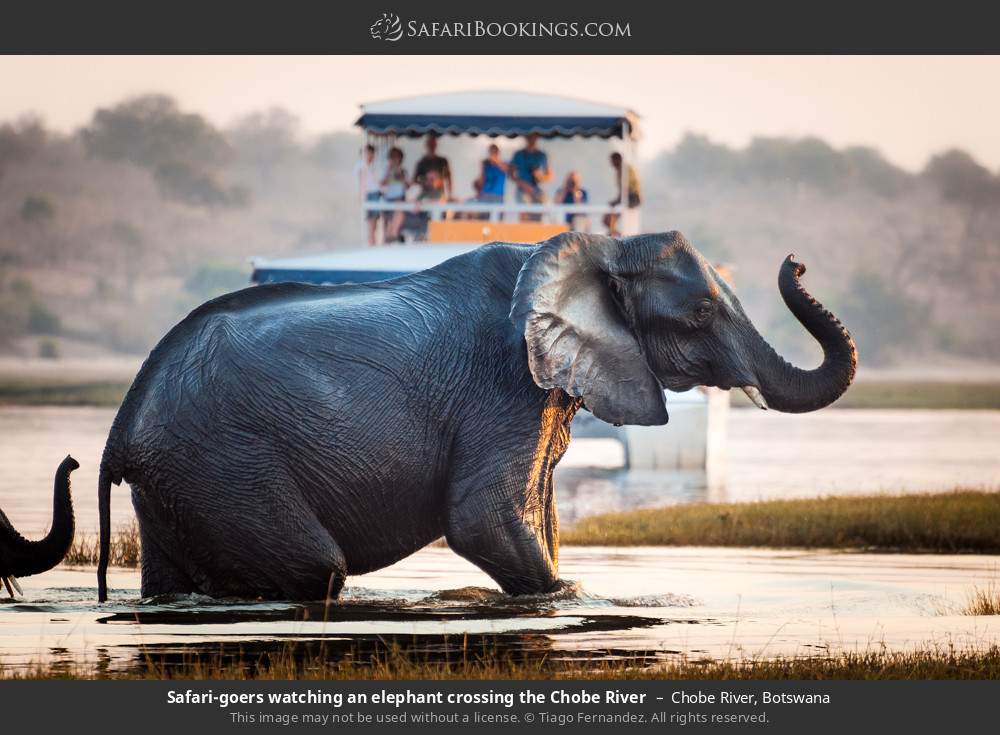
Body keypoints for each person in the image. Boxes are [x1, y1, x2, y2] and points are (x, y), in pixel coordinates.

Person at [510, 133, 552, 221]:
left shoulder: (542, 155)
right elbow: (511, 174)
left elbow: (549, 176)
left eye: (534, 137)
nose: (532, 139)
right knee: (524, 212)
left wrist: (540, 176)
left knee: (541, 212)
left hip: (538, 190)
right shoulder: (519, 155)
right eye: (529, 137)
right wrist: (522, 184)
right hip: (523, 190)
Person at [603, 152, 642, 236]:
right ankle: (614, 232)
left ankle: (613, 233)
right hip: (627, 197)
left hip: (632, 198)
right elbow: (623, 190)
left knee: (609, 219)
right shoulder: (620, 170)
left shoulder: (625, 170)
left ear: (617, 160)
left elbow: (626, 188)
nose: (611, 163)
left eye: (612, 161)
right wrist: (616, 201)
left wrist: (617, 201)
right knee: (607, 220)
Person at [354, 144, 384, 246]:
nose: (369, 155)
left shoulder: (376, 165)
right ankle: (371, 240)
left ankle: (373, 239)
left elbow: (379, 180)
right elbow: (359, 181)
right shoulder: (360, 166)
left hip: (376, 193)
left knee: (375, 218)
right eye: (367, 153)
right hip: (366, 194)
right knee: (369, 219)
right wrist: (360, 194)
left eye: (371, 153)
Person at [381, 146, 408, 242]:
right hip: (388, 199)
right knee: (387, 222)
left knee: (399, 215)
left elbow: (407, 185)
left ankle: (394, 235)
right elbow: (382, 183)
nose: (395, 159)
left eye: (397, 157)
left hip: (399, 198)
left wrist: (400, 175)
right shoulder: (386, 170)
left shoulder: (403, 171)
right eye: (393, 157)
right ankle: (388, 238)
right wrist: (389, 171)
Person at [414, 133, 452, 200]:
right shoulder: (421, 162)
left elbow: (448, 178)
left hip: (439, 193)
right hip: (425, 194)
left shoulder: (443, 161)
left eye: (433, 144)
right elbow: (415, 179)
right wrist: (426, 181)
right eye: (430, 144)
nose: (431, 146)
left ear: (436, 145)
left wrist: (450, 194)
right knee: (416, 206)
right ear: (426, 145)